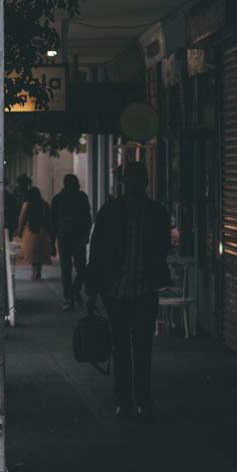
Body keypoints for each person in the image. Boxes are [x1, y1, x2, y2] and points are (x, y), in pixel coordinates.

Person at [83, 160, 170, 421]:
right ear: (125, 182)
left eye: (136, 179)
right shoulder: (112, 212)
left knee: (141, 350)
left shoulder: (155, 213)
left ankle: (141, 401)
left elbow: (161, 249)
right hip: (118, 292)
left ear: (144, 182)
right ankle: (125, 400)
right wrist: (93, 289)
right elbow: (97, 252)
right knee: (123, 349)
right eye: (129, 179)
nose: (133, 184)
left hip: (141, 291)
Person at [52, 174, 93, 310]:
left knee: (70, 268)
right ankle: (71, 295)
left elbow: (53, 223)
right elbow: (87, 217)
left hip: (68, 238)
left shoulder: (60, 199)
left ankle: (71, 295)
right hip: (73, 238)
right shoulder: (77, 198)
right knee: (76, 268)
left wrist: (52, 242)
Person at [18, 185, 53, 280]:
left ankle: (35, 270)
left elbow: (22, 219)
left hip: (30, 232)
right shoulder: (44, 205)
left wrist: (19, 231)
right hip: (42, 233)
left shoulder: (27, 205)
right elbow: (49, 220)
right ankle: (38, 270)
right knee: (40, 254)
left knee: (33, 254)